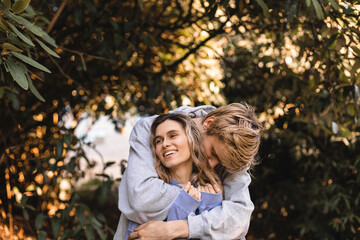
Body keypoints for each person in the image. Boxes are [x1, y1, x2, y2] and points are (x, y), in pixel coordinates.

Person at [114, 103, 263, 240]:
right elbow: (142, 199)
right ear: (208, 123)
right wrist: (211, 202)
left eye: (220, 164)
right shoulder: (150, 128)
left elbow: (238, 219)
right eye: (213, 153)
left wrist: (175, 229)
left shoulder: (236, 149)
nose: (212, 166)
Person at [125, 113, 225, 240]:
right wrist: (182, 208)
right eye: (158, 141)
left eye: (173, 135)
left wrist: (211, 207)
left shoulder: (211, 191)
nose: (165, 144)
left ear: (191, 139)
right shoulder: (151, 200)